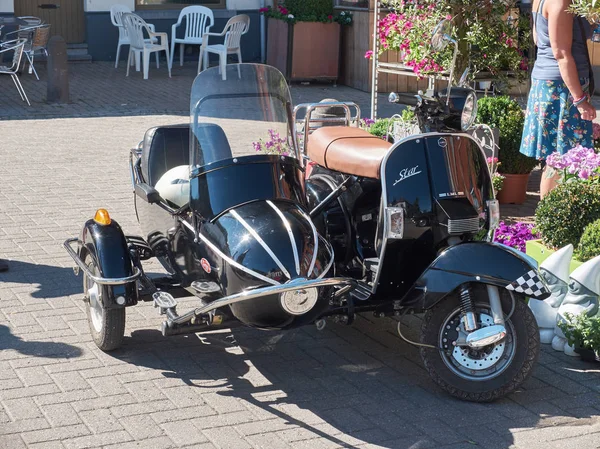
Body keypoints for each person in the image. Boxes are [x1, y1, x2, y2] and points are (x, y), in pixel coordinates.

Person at [520, 0, 596, 197]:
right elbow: (561, 53)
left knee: (557, 160)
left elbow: (539, 40)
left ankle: (551, 220)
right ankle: (552, 221)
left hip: (550, 84)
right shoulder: (560, 2)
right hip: (561, 89)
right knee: (558, 161)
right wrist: (580, 100)